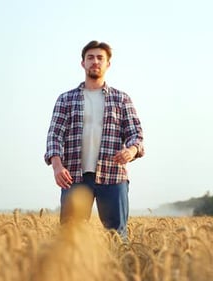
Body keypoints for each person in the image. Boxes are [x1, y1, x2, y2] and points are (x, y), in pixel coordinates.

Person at [44, 40, 144, 239]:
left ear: (108, 64)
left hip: (113, 176)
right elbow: (54, 135)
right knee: (70, 235)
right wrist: (56, 166)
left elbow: (136, 135)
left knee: (117, 235)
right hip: (74, 176)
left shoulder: (121, 99)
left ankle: (116, 269)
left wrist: (131, 151)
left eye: (100, 58)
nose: (95, 61)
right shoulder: (66, 99)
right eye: (90, 57)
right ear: (83, 63)